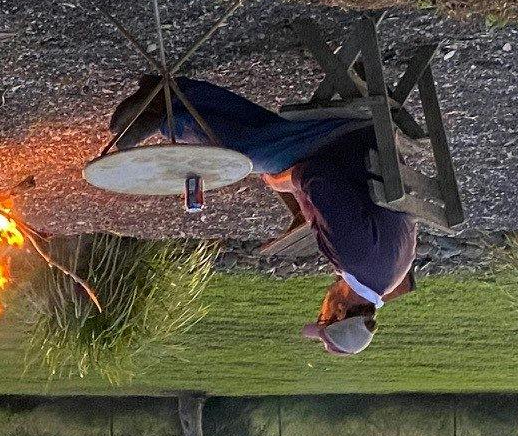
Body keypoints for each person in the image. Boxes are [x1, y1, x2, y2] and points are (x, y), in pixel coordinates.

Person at [109, 76, 417, 356]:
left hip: (363, 153)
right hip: (345, 140)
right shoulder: (356, 258)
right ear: (338, 312)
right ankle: (165, 116)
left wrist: (304, 203)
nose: (320, 307)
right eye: (321, 317)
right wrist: (284, 181)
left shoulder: (389, 278)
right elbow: (316, 175)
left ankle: (172, 97)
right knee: (241, 157)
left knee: (262, 146)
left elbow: (337, 200)